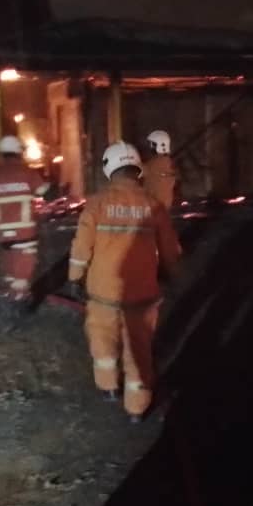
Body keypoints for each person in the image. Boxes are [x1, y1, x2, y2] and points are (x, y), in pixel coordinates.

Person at [68, 141, 182, 423]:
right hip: (142, 293)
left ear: (109, 168)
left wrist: (75, 278)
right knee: (139, 348)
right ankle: (137, 408)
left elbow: (81, 246)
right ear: (137, 168)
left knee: (102, 337)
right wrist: (171, 274)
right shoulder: (153, 205)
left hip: (103, 292)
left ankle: (107, 386)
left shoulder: (97, 203)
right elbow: (170, 249)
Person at [0, 136, 57, 304]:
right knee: (24, 263)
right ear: (19, 152)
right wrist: (56, 187)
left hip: (2, 232)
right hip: (24, 231)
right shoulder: (27, 173)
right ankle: (20, 299)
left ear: (1, 154)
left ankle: (10, 292)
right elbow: (48, 193)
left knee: (8, 261)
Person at [143, 129, 177, 209]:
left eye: (152, 144)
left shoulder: (155, 163)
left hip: (154, 208)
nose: (150, 147)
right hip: (163, 208)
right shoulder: (168, 162)